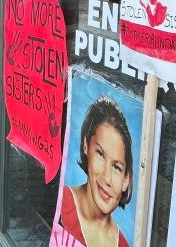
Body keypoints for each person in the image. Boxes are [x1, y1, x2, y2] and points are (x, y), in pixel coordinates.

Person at [60, 96, 133, 247]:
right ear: (86, 145)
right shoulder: (61, 203)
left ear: (126, 180)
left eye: (117, 167)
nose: (107, 178)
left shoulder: (123, 244)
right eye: (100, 154)